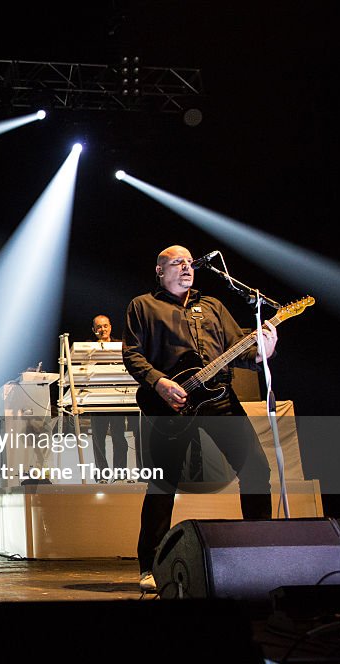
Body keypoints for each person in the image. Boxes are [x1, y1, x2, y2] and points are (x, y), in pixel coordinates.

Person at [123, 245, 276, 593]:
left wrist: (265, 350)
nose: (186, 267)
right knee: (164, 484)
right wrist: (159, 382)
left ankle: (263, 551)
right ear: (160, 271)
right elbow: (132, 353)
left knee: (256, 469)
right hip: (171, 403)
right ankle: (150, 564)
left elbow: (242, 350)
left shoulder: (212, 307)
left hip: (219, 398)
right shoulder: (143, 306)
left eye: (189, 262)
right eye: (177, 263)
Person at [87, 315, 132, 481]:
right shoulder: (88, 348)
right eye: (99, 327)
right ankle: (102, 475)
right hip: (97, 399)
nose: (102, 329)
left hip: (116, 398)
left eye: (105, 326)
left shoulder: (120, 345)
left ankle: (120, 474)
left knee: (119, 437)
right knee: (98, 438)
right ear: (94, 330)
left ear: (110, 327)